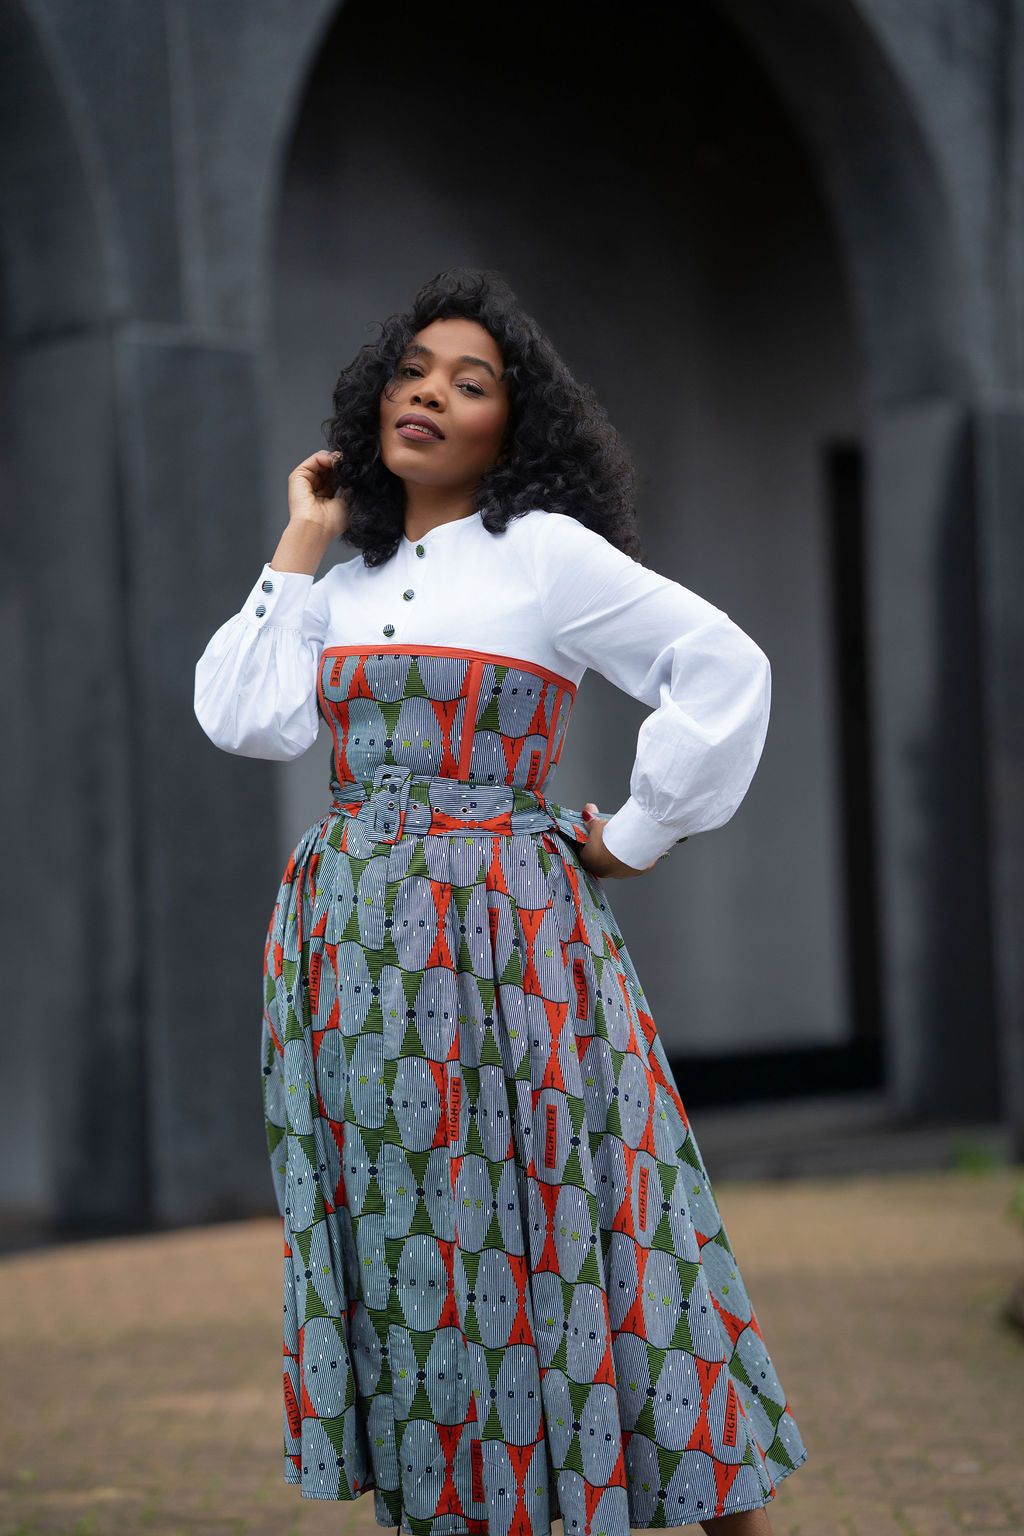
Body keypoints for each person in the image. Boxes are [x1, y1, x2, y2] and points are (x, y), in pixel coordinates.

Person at [194, 268, 808, 1536]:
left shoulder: (543, 555)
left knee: (596, 1211)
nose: (431, 392)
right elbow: (248, 719)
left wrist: (639, 834)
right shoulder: (340, 577)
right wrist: (299, 542)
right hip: (355, 955)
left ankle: (714, 1505)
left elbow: (722, 668)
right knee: (421, 1238)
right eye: (414, 368)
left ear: (509, 431)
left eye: (470, 383)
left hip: (513, 937)